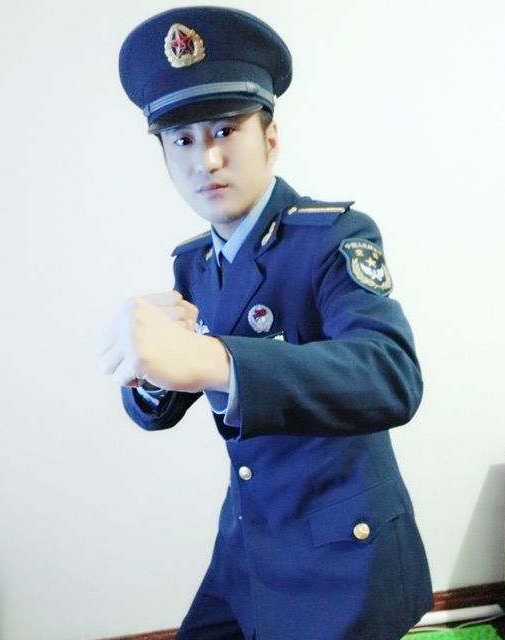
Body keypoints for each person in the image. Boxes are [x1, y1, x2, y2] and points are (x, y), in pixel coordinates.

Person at [101, 6, 433, 639]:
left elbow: (392, 375)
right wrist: (142, 369)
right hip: (249, 539)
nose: (207, 160)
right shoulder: (194, 262)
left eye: (226, 129)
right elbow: (162, 406)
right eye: (182, 140)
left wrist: (217, 360)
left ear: (270, 137)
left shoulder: (331, 236)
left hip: (342, 549)